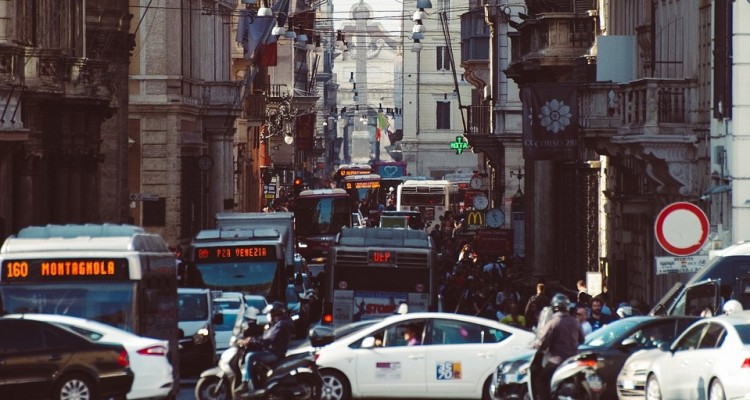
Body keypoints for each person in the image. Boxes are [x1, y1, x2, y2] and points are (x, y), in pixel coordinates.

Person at [531, 294, 584, 400]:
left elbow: (542, 342)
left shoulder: (553, 323)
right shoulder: (575, 322)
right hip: (573, 359)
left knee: (541, 380)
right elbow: (582, 339)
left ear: (554, 307)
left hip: (557, 360)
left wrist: (535, 345)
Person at [239, 302, 294, 393]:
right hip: (272, 350)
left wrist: (251, 340)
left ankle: (248, 383)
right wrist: (252, 339)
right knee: (254, 356)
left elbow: (268, 340)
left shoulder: (280, 326)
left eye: (269, 313)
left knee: (250, 356)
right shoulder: (276, 325)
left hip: (275, 353)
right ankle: (257, 381)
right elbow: (264, 337)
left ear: (275, 313)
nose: (268, 315)